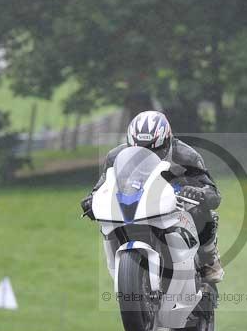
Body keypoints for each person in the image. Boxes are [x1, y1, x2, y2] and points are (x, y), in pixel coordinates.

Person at [81, 110, 224, 283]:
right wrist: (92, 199)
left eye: (154, 150)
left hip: (175, 201)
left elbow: (213, 193)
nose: (146, 155)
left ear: (167, 141)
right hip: (137, 202)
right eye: (138, 150)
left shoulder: (186, 155)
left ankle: (209, 258)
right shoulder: (115, 156)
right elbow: (104, 184)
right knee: (109, 219)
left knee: (199, 209)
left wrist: (200, 193)